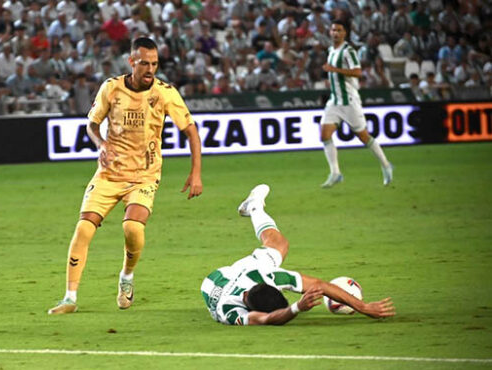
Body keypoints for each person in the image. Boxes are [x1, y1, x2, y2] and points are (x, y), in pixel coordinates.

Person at [48, 37, 203, 315]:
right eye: (145, 63)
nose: (150, 69)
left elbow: (191, 131)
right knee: (83, 228)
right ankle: (69, 298)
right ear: (132, 62)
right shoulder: (111, 88)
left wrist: (196, 174)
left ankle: (127, 277)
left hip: (144, 175)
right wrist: (101, 144)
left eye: (154, 63)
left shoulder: (166, 93)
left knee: (132, 228)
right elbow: (92, 123)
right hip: (110, 173)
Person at [202, 184, 396, 325]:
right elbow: (266, 319)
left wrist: (363, 307)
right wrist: (297, 308)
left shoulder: (269, 277)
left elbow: (320, 285)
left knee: (279, 243)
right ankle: (254, 206)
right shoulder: (229, 309)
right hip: (214, 281)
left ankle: (254, 206)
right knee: (278, 246)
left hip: (248, 271)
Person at [320, 19, 393, 188]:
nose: (335, 33)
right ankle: (335, 173)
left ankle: (386, 166)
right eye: (333, 30)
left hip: (350, 101)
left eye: (339, 30)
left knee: (364, 137)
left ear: (345, 33)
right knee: (324, 134)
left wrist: (335, 70)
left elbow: (358, 72)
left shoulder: (348, 51)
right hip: (335, 101)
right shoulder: (331, 50)